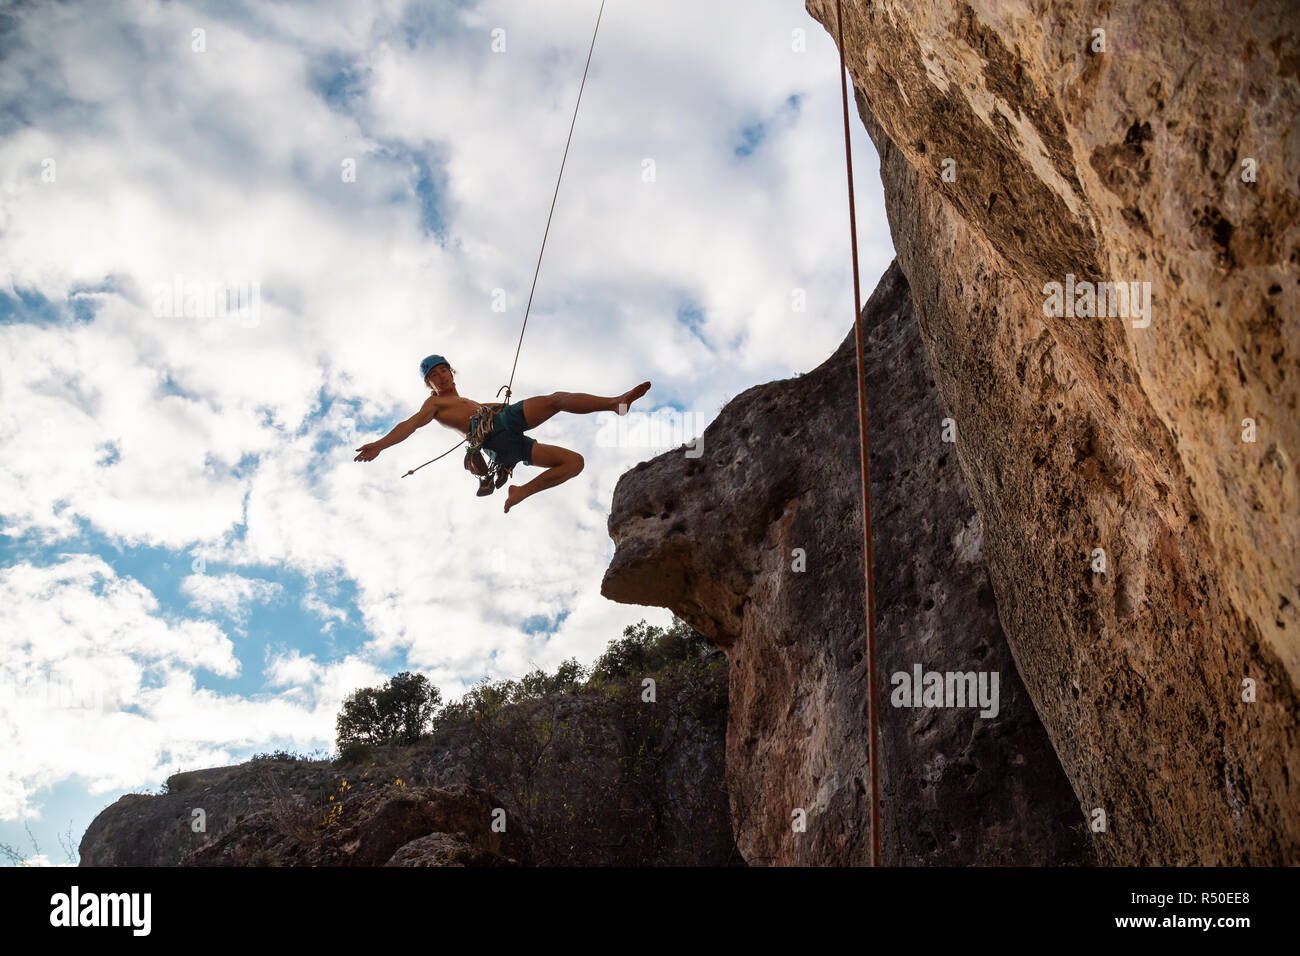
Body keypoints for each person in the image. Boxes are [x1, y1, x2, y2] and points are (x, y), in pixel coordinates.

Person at [354, 354, 651, 513]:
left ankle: (521, 492)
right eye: (433, 376)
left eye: (443, 370)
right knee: (556, 400)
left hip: (504, 444)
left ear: (451, 372)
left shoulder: (470, 402)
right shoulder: (434, 403)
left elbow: (489, 408)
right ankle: (615, 403)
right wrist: (380, 445)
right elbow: (411, 424)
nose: (440, 376)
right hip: (494, 433)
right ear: (429, 385)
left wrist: (500, 403)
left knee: (574, 462)